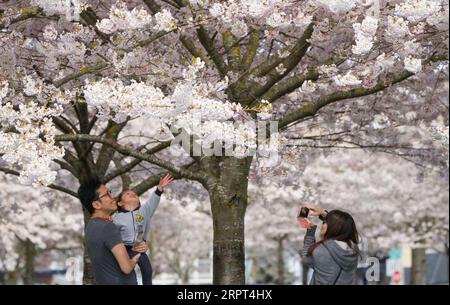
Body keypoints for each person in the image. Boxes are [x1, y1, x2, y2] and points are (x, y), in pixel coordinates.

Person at [78, 177, 148, 285]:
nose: (113, 197)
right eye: (107, 194)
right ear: (96, 204)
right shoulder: (108, 227)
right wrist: (137, 255)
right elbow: (127, 267)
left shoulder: (91, 227)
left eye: (110, 192)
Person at [113, 174, 174, 285]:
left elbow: (152, 201)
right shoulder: (117, 218)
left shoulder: (144, 212)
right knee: (127, 272)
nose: (133, 194)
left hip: (138, 248)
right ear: (120, 203)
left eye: (135, 194)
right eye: (128, 194)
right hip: (123, 249)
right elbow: (112, 234)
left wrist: (160, 188)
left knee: (147, 270)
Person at [299, 205, 360, 285]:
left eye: (325, 223)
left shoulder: (323, 249)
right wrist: (323, 214)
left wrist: (310, 232)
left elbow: (306, 259)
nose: (322, 225)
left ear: (334, 226)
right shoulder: (353, 249)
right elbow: (341, 224)